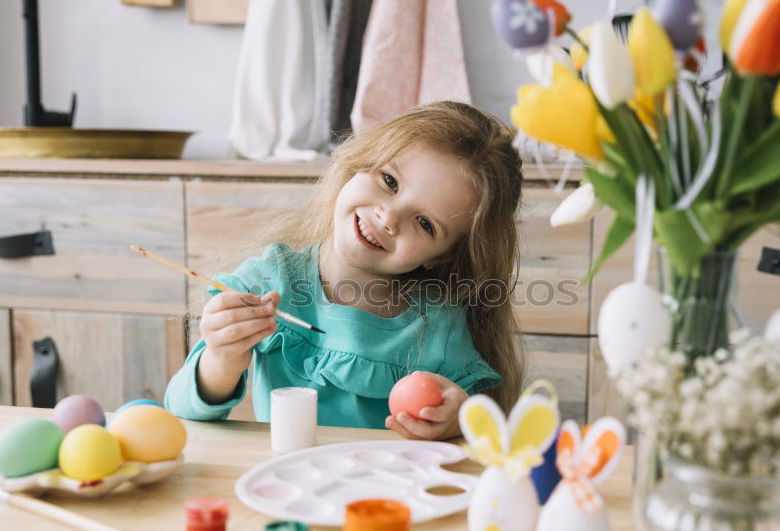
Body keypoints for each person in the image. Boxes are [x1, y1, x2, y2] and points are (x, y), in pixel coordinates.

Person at [165, 101, 526, 440]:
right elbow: (182, 411)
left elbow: (483, 431)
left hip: (386, 498)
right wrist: (221, 359)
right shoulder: (269, 282)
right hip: (293, 488)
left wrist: (458, 417)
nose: (388, 217)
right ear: (357, 164)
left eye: (424, 223)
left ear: (441, 258)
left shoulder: (438, 326)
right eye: (389, 181)